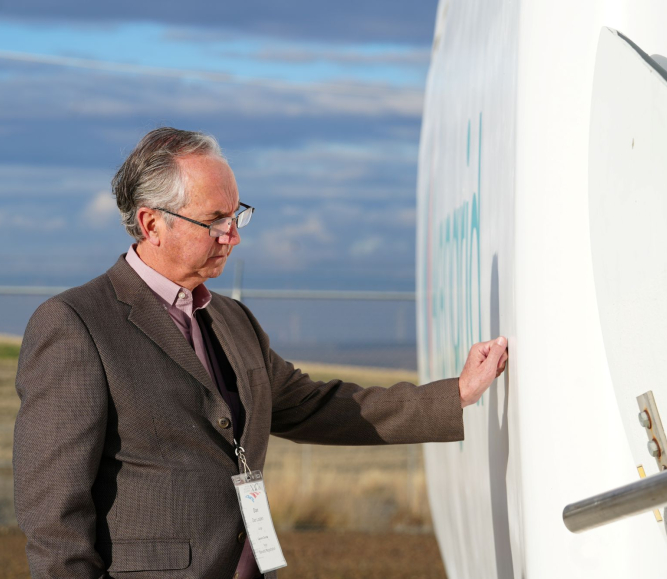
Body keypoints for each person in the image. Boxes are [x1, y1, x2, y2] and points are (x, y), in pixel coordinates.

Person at [13, 127, 508, 579]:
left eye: (236, 215)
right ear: (150, 223)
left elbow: (317, 406)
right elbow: (54, 520)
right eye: (214, 221)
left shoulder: (234, 321)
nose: (234, 235)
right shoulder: (74, 324)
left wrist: (456, 394)